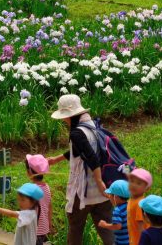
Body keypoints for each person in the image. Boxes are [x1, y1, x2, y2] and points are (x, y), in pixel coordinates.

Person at [46, 94, 114, 245]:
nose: (64, 120)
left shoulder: (76, 133)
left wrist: (98, 181)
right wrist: (56, 159)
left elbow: (91, 157)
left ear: (69, 115)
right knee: (107, 230)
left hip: (84, 192)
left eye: (64, 117)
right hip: (103, 193)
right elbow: (81, 150)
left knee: (75, 227)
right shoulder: (93, 126)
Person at [25, 154, 53, 244]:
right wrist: (49, 224)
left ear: (29, 172)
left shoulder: (31, 190)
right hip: (43, 229)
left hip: (34, 230)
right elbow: (50, 207)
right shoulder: (47, 187)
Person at [98, 180, 130, 245]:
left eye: (110, 195)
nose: (109, 197)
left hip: (121, 242)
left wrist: (105, 225)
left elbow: (118, 226)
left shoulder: (117, 210)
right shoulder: (129, 206)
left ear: (116, 197)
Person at [127, 168, 152, 245]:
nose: (134, 185)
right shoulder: (132, 199)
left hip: (139, 241)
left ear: (147, 188)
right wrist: (125, 166)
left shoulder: (140, 203)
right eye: (132, 181)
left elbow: (141, 227)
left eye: (138, 183)